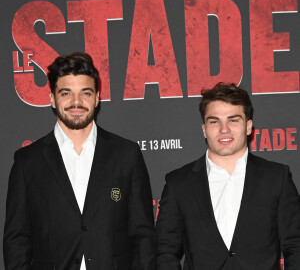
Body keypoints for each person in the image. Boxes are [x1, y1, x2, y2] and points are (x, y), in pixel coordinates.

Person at [3, 52, 157, 270]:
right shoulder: (28, 162)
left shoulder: (126, 154)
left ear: (97, 98)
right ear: (52, 99)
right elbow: (16, 240)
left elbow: (143, 236)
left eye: (85, 93)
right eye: (66, 93)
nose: (76, 102)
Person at [156, 82, 300, 270]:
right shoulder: (178, 183)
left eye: (233, 120)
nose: (224, 129)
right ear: (204, 129)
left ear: (248, 127)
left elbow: (295, 245)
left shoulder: (276, 178)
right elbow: (164, 251)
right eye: (214, 121)